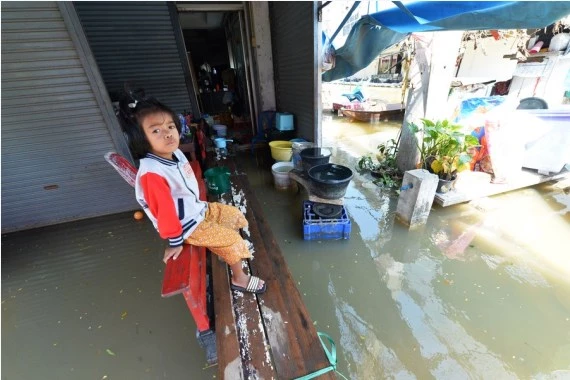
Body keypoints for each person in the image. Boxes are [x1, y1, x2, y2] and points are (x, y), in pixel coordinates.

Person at [118, 93, 266, 294]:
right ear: (141, 139)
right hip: (186, 226)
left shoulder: (175, 153)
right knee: (233, 240)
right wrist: (175, 241)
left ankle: (226, 250)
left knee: (234, 214)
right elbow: (165, 212)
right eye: (156, 131)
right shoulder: (151, 174)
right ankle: (239, 278)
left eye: (170, 127)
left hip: (197, 210)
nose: (168, 134)